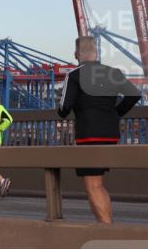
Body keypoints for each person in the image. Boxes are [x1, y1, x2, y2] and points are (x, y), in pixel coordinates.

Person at [57, 35, 141, 223]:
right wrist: (115, 112)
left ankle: (108, 231)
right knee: (99, 184)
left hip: (89, 134)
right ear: (97, 52)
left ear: (76, 54)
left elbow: (63, 109)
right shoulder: (112, 72)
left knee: (92, 186)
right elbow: (133, 94)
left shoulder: (74, 74)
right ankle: (108, 226)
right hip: (111, 134)